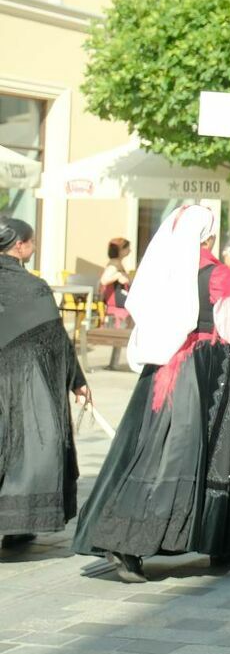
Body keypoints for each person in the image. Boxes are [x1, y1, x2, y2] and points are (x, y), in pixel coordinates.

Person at [73, 205, 230, 582]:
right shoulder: (217, 273)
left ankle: (125, 537)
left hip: (162, 368)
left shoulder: (163, 271)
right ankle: (221, 538)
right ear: (208, 237)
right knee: (215, 451)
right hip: (211, 366)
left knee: (152, 449)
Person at [0, 217, 89, 550]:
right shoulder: (33, 287)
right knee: (23, 452)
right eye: (32, 242)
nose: (33, 247)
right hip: (23, 384)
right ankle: (17, 524)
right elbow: (56, 343)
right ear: (20, 245)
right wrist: (77, 381)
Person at [99, 237, 132, 327]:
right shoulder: (114, 264)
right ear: (121, 250)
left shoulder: (117, 263)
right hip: (117, 300)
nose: (130, 250)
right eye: (128, 248)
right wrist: (118, 275)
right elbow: (104, 280)